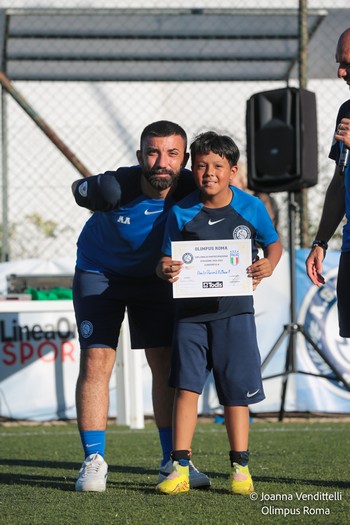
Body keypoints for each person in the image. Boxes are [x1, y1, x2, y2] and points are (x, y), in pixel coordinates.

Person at [71, 120, 211, 492]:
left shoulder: (193, 189)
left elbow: (240, 207)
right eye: (152, 152)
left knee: (164, 361)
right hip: (99, 273)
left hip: (155, 278)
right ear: (140, 156)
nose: (161, 161)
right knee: (97, 359)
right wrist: (91, 191)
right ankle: (93, 461)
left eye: (172, 154)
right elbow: (78, 190)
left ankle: (172, 461)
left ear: (184, 160)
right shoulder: (116, 186)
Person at [155, 131, 282, 495]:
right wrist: (165, 268)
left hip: (236, 314)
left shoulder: (252, 206)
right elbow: (165, 258)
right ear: (192, 170)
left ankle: (240, 468)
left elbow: (273, 245)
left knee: (235, 393)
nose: (208, 172)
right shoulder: (181, 211)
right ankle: (179, 466)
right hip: (189, 316)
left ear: (232, 170)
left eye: (217, 166)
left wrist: (269, 265)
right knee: (186, 387)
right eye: (200, 165)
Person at [305, 27, 350, 338]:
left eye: (348, 63)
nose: (341, 72)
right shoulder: (346, 112)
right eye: (339, 62)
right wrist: (320, 241)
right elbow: (340, 181)